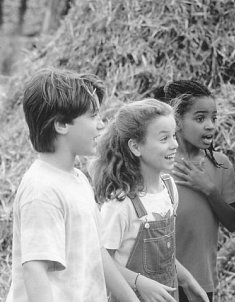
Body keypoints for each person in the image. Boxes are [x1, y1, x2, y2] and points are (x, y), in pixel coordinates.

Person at [6, 68, 140, 302]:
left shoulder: (77, 179)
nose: (101, 125)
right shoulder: (42, 189)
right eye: (92, 116)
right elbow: (35, 270)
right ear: (61, 124)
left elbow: (97, 254)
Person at [90, 99, 209, 302]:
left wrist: (187, 280)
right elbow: (101, 263)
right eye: (164, 139)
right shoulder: (120, 204)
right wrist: (139, 282)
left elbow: (163, 257)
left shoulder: (170, 189)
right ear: (136, 147)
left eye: (174, 136)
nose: (174, 144)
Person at [156, 80, 235, 302]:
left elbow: (232, 223)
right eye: (200, 118)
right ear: (177, 122)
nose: (210, 125)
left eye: (214, 118)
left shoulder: (221, 165)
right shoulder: (157, 164)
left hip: (200, 280)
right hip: (156, 280)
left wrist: (210, 190)